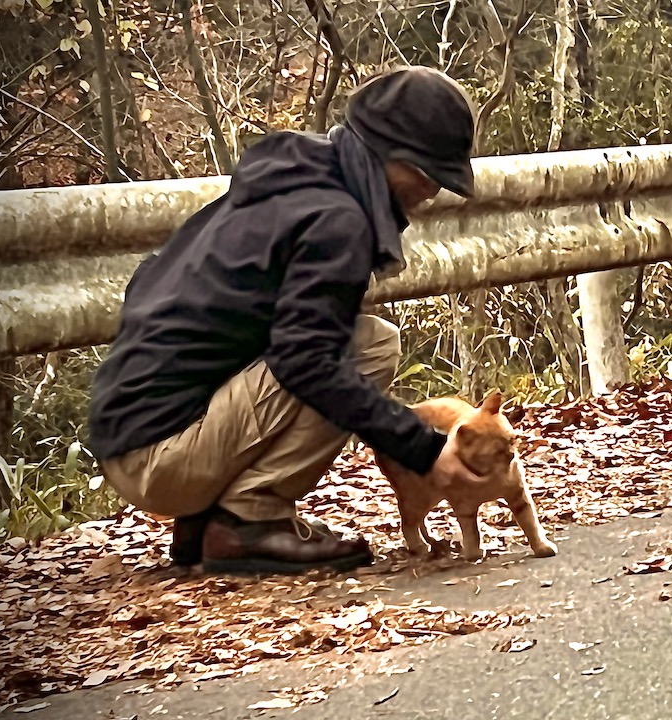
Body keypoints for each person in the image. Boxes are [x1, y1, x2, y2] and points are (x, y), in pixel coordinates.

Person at [87, 66, 483, 575]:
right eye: (426, 172)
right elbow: (305, 361)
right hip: (162, 457)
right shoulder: (338, 219)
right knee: (368, 347)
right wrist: (424, 450)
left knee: (353, 338)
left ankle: (212, 516)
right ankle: (247, 522)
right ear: (386, 151)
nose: (430, 190)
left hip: (135, 439)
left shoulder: (291, 181)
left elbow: (151, 283)